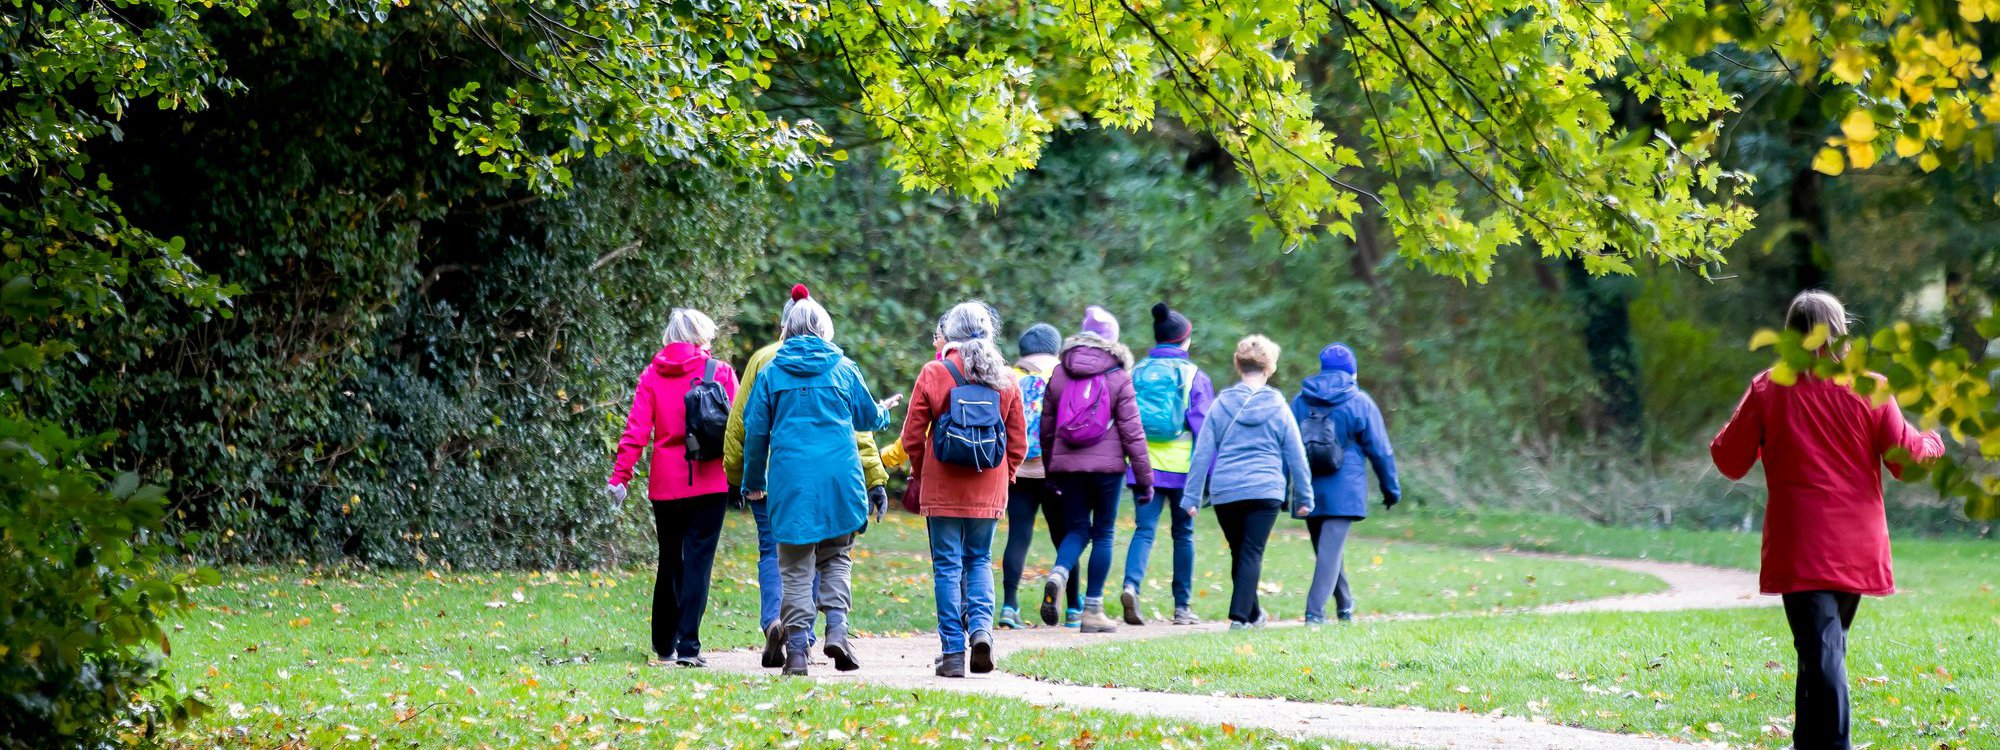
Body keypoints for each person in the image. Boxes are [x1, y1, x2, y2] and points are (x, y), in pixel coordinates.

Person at [1709, 290, 1943, 750]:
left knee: (1822, 650)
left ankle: (1834, 746)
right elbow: (1907, 460)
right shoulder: (1868, 388)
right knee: (1819, 650)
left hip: (1801, 545)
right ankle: (1808, 743)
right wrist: (1933, 442)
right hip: (1857, 546)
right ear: (1840, 333)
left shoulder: (1768, 389)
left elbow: (1727, 458)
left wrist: (1765, 436)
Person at [723, 285, 891, 669]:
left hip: (790, 482)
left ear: (786, 329)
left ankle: (797, 651)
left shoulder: (770, 373)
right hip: (840, 481)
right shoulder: (844, 368)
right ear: (824, 328)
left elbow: (755, 434)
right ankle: (837, 631)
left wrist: (752, 482)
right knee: (836, 558)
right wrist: (883, 412)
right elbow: (867, 419)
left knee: (795, 565)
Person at [898, 302, 1028, 677]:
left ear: (950, 333)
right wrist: (1008, 475)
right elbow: (1018, 440)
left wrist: (921, 473)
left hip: (942, 486)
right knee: (979, 560)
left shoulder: (935, 372)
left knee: (947, 566)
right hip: (988, 485)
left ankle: (953, 652)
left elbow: (912, 436)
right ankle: (982, 632)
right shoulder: (1005, 376)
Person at [606, 308, 740, 667]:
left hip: (666, 485)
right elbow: (738, 428)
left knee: (669, 561)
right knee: (698, 563)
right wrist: (747, 474)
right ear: (701, 337)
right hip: (710, 481)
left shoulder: (652, 375)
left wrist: (621, 476)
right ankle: (689, 648)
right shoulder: (722, 373)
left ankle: (664, 645)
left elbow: (637, 431)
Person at [1181, 335, 1312, 629]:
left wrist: (1192, 497)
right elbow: (1295, 452)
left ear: (1238, 365)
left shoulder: (1221, 403)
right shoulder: (1277, 405)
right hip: (1266, 489)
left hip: (1226, 490)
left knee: (1241, 553)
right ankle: (1241, 617)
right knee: (1249, 553)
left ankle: (1253, 615)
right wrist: (1304, 496)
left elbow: (1203, 451)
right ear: (1269, 367)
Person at [1038, 306, 1153, 633]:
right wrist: (1144, 481)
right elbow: (1132, 431)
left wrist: (1051, 470)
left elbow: (1046, 429)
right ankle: (1093, 611)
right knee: (1103, 532)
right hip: (1108, 468)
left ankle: (1059, 573)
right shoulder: (1118, 375)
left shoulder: (1060, 372)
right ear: (1112, 340)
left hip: (1068, 465)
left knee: (1076, 529)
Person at [1290, 342, 1401, 624]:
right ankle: (1314, 615)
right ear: (1352, 371)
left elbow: (1286, 445)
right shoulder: (1360, 401)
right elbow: (1381, 450)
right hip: (1346, 488)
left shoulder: (1300, 401)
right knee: (1329, 552)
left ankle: (1345, 606)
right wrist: (1391, 489)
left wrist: (1284, 488)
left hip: (1309, 485)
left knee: (1327, 550)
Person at [1121, 302, 1213, 626]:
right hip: (1184, 469)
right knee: (1183, 534)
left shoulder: (1137, 372)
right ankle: (1182, 608)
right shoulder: (1193, 375)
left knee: (1144, 531)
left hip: (1142, 466)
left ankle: (1131, 587)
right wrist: (1208, 477)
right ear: (1184, 341)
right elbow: (1205, 430)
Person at [998, 323, 1080, 629]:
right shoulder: (1065, 378)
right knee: (1067, 535)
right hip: (1057, 470)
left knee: (1019, 534)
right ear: (1055, 349)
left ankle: (1009, 606)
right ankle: (1074, 608)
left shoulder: (1009, 378)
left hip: (1018, 469)